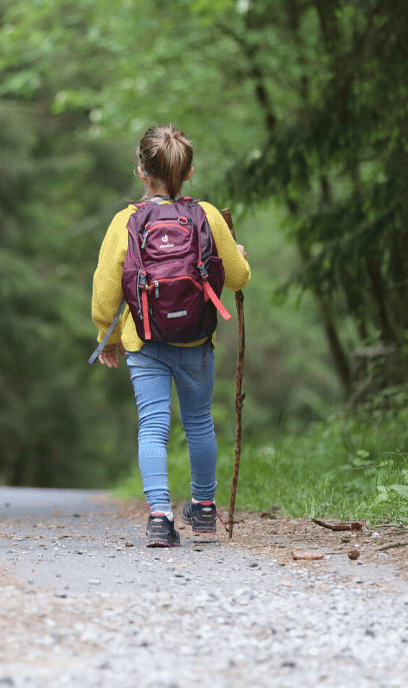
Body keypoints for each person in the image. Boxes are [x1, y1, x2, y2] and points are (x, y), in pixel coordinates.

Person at [91, 125, 250, 547]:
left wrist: (107, 337)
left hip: (145, 342)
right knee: (198, 423)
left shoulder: (126, 221)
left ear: (142, 171)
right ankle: (204, 508)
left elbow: (105, 293)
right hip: (196, 341)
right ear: (189, 171)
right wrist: (238, 255)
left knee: (153, 426)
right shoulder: (207, 216)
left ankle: (160, 517)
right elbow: (237, 277)